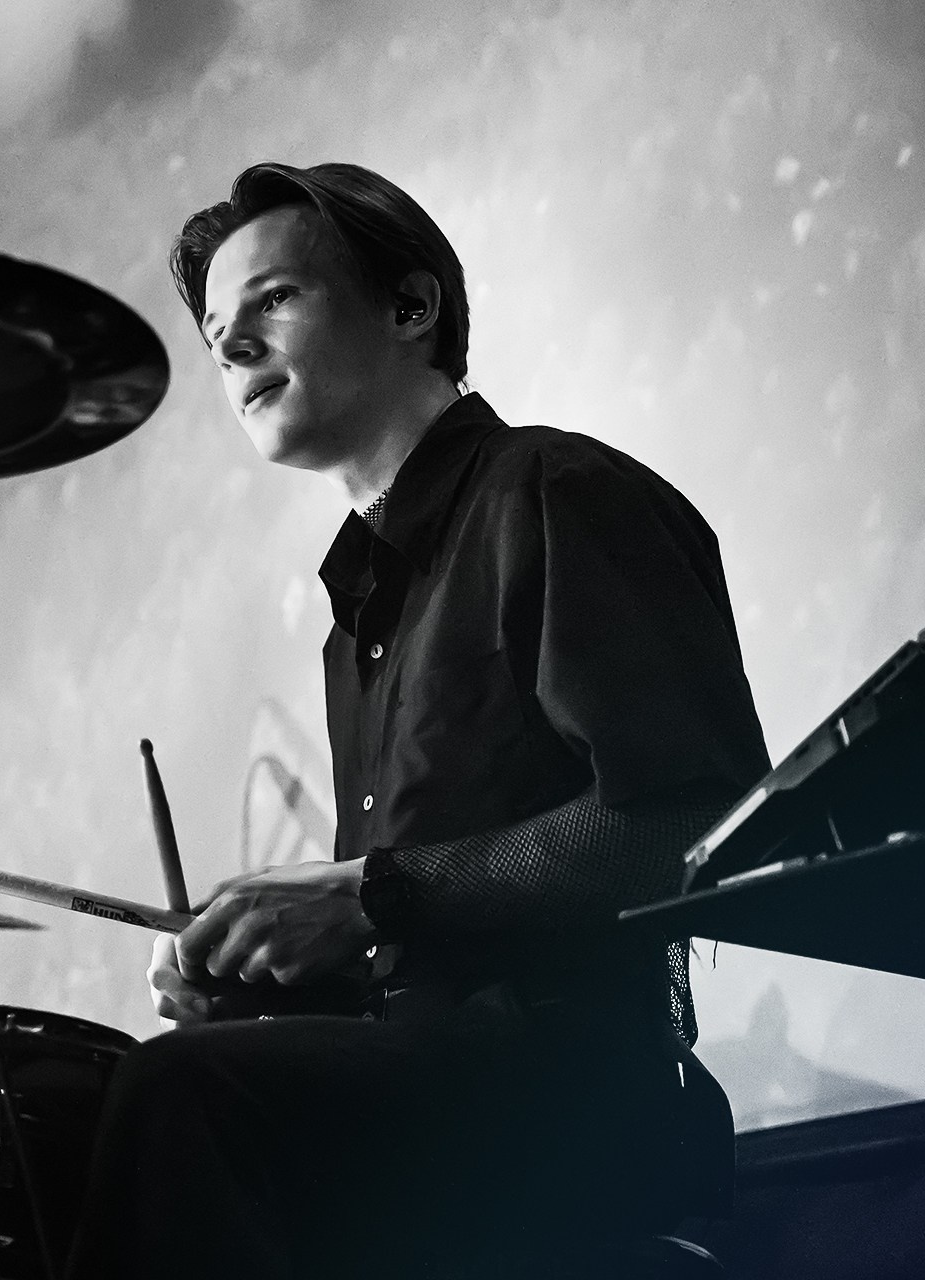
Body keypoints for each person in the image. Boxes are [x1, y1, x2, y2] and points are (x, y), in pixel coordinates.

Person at [64, 163, 772, 1279]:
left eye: (272, 299)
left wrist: (373, 892)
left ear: (409, 306)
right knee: (94, 1116)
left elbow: (695, 823)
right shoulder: (356, 621)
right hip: (447, 1099)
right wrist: (266, 977)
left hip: (574, 1103)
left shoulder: (555, 487)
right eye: (215, 335)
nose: (233, 346)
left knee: (174, 1099)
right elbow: (418, 941)